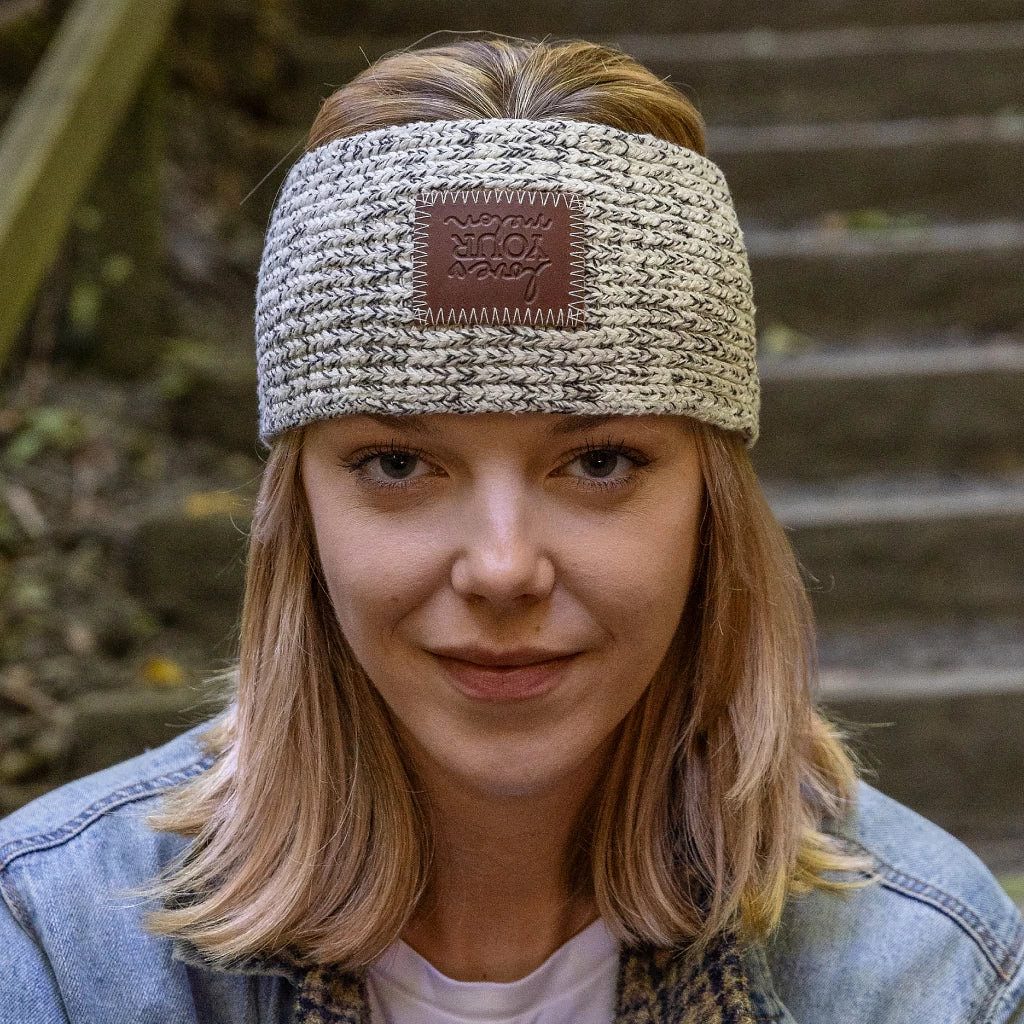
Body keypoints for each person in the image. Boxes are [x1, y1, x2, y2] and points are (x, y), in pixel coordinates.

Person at [2, 35, 1022, 1024]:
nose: (501, 568)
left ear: (712, 510)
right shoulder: (54, 946)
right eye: (397, 463)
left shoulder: (933, 976)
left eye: (599, 462)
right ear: (297, 510)